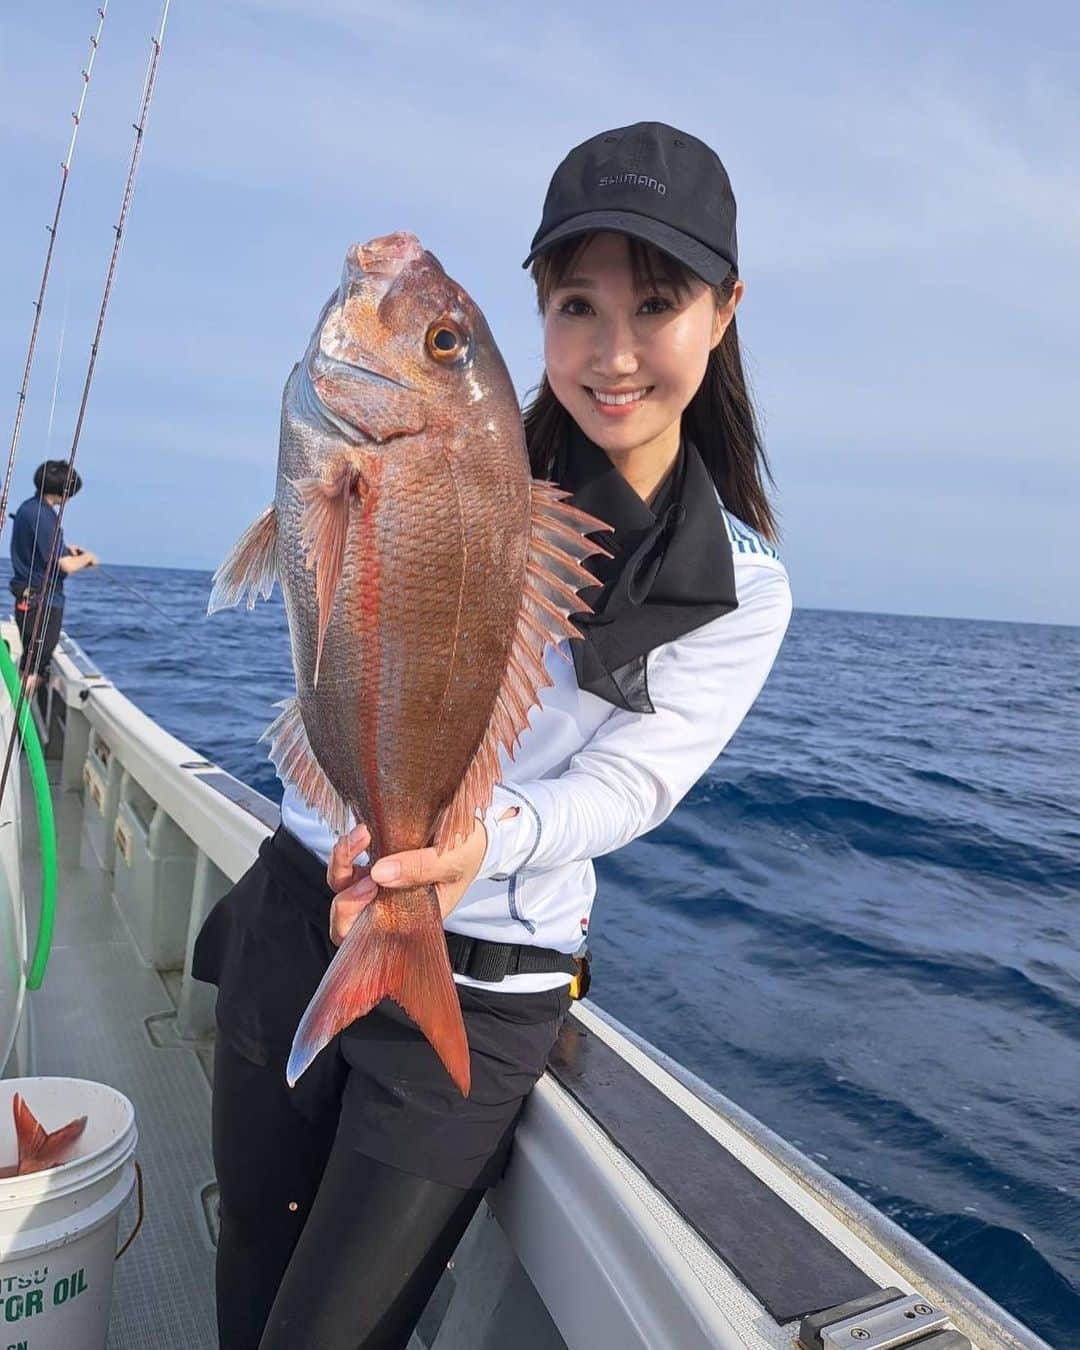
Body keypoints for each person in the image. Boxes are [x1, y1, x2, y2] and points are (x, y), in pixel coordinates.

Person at [193, 121, 793, 1350]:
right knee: (247, 1242)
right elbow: (334, 618)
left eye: (657, 304)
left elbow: (630, 787)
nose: (612, 353)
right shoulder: (462, 459)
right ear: (540, 313)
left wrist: (472, 844)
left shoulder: (744, 587)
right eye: (577, 306)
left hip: (481, 975)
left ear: (723, 313)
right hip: (301, 897)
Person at [8, 460, 98, 710]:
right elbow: (66, 565)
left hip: (28, 599)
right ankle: (21, 719)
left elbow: (42, 551)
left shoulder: (29, 509)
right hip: (43, 604)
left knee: (31, 659)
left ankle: (20, 716)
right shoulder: (45, 517)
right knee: (36, 665)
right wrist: (87, 558)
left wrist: (68, 550)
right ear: (62, 491)